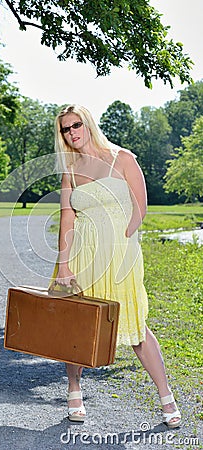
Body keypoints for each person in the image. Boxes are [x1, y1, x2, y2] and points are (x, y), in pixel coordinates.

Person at [52, 104, 181, 428]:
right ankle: (74, 390)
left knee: (137, 327)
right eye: (66, 129)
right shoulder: (70, 170)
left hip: (120, 257)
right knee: (77, 327)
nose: (72, 133)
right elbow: (68, 216)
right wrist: (64, 264)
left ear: (88, 123)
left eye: (76, 125)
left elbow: (141, 206)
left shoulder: (122, 158)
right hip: (83, 256)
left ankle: (167, 398)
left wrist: (123, 241)